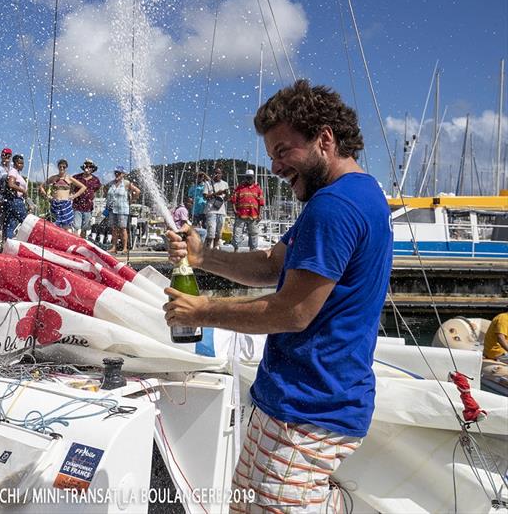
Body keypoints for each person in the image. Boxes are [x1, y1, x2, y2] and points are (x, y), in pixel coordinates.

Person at [164, 80, 392, 512]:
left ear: (325, 139)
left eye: (284, 151)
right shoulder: (350, 195)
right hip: (290, 404)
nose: (276, 166)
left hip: (309, 413)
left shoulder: (335, 207)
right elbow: (272, 263)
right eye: (271, 155)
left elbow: (294, 312)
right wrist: (202, 255)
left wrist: (201, 309)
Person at [40, 159, 86, 231]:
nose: (62, 168)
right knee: (54, 225)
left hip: (66, 204)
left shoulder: (69, 178)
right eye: (60, 166)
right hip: (55, 204)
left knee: (67, 226)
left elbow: (83, 187)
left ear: (66, 168)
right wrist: (47, 196)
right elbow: (41, 187)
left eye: (63, 167)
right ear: (58, 167)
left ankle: (68, 240)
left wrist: (73, 196)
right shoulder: (53, 178)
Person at [104, 165, 140, 254]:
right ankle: (114, 247)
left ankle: (124, 248)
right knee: (114, 229)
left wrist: (132, 200)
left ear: (123, 174)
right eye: (115, 172)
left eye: (119, 173)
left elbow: (137, 191)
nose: (117, 174)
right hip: (112, 209)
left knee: (123, 228)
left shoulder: (126, 183)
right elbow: (105, 189)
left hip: (123, 209)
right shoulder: (111, 183)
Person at [228, 169, 265, 252]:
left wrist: (260, 214)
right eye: (247, 178)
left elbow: (261, 203)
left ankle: (252, 251)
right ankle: (236, 250)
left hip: (253, 215)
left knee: (253, 234)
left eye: (250, 178)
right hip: (240, 215)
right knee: (237, 233)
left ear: (253, 178)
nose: (249, 179)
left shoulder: (258, 189)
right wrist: (235, 211)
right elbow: (233, 200)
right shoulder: (239, 188)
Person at [72, 158, 102, 238]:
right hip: (77, 205)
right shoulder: (76, 177)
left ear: (92, 169)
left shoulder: (96, 180)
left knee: (85, 228)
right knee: (76, 227)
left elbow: (95, 190)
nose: (88, 168)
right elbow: (70, 186)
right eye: (86, 166)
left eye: (90, 167)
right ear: (84, 167)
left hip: (88, 207)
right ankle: (75, 242)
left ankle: (81, 242)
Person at [1, 154, 29, 240]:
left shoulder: (15, 172)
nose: (22, 165)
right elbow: (11, 184)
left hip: (11, 201)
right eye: (20, 163)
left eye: (23, 163)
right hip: (15, 201)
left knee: (10, 224)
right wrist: (23, 191)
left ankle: (8, 243)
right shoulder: (13, 171)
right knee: (26, 222)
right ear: (15, 163)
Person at [203, 167, 229, 249]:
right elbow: (205, 196)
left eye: (219, 173)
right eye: (216, 173)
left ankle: (215, 251)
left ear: (222, 174)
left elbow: (226, 199)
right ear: (213, 174)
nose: (217, 175)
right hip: (211, 211)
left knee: (218, 234)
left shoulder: (225, 184)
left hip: (221, 211)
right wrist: (216, 193)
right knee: (211, 233)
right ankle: (207, 251)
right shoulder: (208, 183)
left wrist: (227, 194)